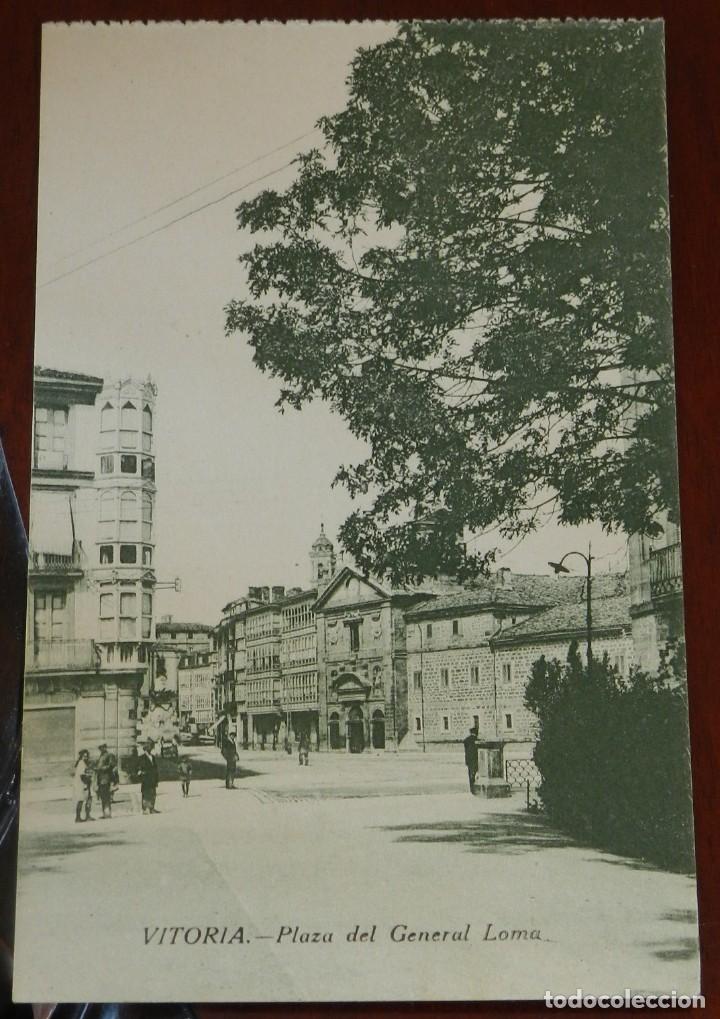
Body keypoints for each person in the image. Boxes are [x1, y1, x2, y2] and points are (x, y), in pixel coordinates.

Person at [137, 739, 160, 814]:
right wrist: (140, 772)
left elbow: (155, 768)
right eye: (150, 747)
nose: (151, 749)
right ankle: (145, 809)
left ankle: (151, 808)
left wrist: (156, 779)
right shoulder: (142, 757)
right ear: (146, 748)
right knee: (145, 792)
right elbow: (139, 768)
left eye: (152, 747)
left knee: (153, 793)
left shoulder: (153, 757)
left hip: (153, 778)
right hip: (146, 778)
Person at [95, 743, 115, 819]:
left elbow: (111, 765)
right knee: (103, 796)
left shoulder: (109, 755)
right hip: (100, 778)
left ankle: (108, 813)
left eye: (102, 747)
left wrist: (101, 769)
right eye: (100, 747)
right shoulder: (101, 756)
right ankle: (105, 813)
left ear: (105, 747)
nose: (101, 749)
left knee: (106, 796)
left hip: (106, 778)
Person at [73, 749, 93, 822]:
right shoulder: (81, 763)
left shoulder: (83, 763)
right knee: (84, 799)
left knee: (85, 799)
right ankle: (81, 817)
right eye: (84, 756)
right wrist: (87, 782)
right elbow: (82, 775)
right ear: (81, 756)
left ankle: (82, 817)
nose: (86, 757)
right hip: (82, 784)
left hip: (82, 784)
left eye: (87, 756)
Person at [463, 726, 479, 794]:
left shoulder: (466, 740)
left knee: (470, 773)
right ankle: (476, 787)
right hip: (476, 759)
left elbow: (465, 748)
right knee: (476, 773)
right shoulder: (477, 740)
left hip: (469, 759)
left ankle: (471, 788)